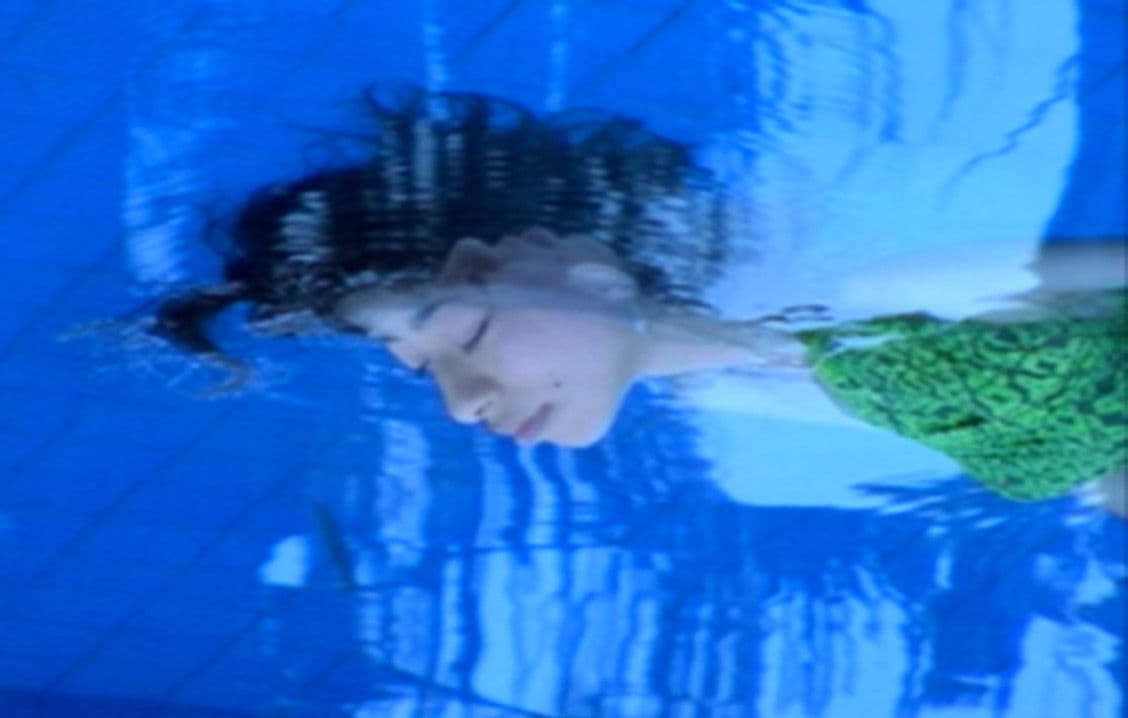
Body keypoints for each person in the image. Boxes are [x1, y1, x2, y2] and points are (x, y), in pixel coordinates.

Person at [149, 90, 1126, 509]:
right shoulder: (723, 390)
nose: (461, 406)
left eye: (466, 333)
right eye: (420, 370)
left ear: (544, 252)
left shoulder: (862, 243)